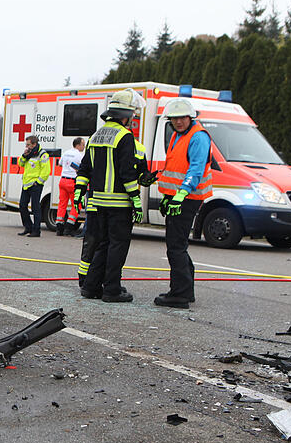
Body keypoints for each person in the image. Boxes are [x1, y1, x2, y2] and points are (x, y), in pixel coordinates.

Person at [74, 88, 144, 303]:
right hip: (119, 204)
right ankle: (112, 289)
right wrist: (136, 200)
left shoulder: (95, 136)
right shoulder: (125, 136)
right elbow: (127, 173)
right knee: (118, 246)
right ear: (126, 116)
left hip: (97, 203)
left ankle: (91, 286)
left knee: (103, 244)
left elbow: (84, 169)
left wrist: (79, 192)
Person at [154, 97, 212, 309]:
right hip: (177, 196)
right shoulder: (178, 135)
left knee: (176, 246)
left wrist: (180, 195)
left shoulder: (198, 137)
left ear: (191, 117)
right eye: (174, 118)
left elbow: (195, 169)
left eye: (182, 118)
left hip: (187, 198)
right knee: (178, 245)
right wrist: (167, 196)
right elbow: (175, 167)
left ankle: (179, 295)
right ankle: (186, 290)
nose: (178, 122)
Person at [16, 135, 50, 237]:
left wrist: (38, 182)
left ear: (34, 144)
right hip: (26, 184)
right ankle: (28, 227)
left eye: (28, 145)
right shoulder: (28, 154)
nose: (27, 147)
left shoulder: (42, 154)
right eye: (26, 144)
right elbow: (20, 164)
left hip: (35, 185)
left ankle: (36, 230)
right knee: (22, 206)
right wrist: (24, 155)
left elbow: (46, 171)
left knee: (35, 208)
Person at [56, 137, 85, 235]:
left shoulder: (66, 153)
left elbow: (60, 164)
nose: (84, 147)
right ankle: (69, 227)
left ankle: (59, 228)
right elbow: (82, 168)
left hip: (63, 181)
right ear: (78, 145)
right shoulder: (79, 155)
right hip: (72, 182)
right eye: (83, 145)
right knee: (77, 205)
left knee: (62, 204)